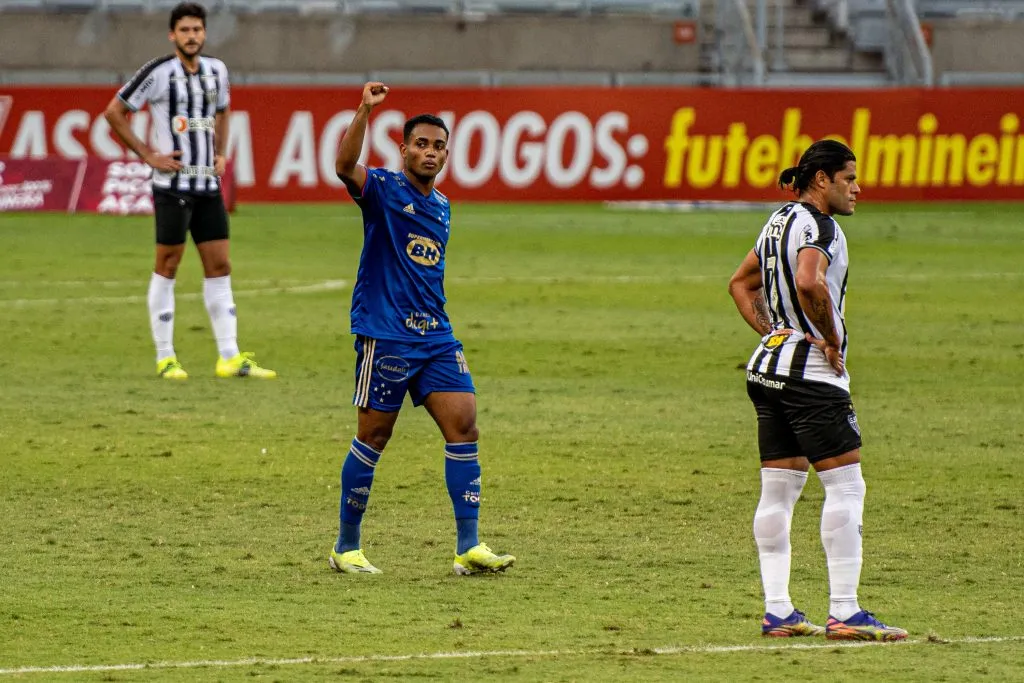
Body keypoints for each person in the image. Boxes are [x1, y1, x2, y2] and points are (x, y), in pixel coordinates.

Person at [328, 82, 514, 576]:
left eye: (438, 146)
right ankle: (346, 547)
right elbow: (344, 167)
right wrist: (364, 110)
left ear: (446, 154)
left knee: (465, 425)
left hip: (435, 336)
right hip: (386, 334)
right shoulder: (383, 190)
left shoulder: (444, 206)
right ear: (403, 148)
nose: (429, 153)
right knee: (374, 436)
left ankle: (468, 546)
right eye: (421, 144)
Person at [728, 140, 907, 641]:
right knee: (846, 485)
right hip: (811, 375)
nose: (858, 188)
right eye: (850, 178)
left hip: (768, 368)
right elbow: (810, 281)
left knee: (778, 491)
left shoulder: (777, 220)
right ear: (822, 179)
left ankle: (778, 610)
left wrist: (774, 333)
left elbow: (740, 283)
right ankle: (845, 611)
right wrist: (830, 340)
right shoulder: (823, 227)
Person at [103, 2, 275, 380]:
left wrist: (222, 153)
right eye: (184, 30)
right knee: (168, 266)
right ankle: (166, 357)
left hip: (207, 187)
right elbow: (114, 111)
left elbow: (225, 111)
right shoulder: (159, 72)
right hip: (172, 187)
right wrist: (148, 154)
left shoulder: (217, 70)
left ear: (205, 33)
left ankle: (229, 357)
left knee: (220, 266)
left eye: (197, 30)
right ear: (172, 35)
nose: (192, 36)